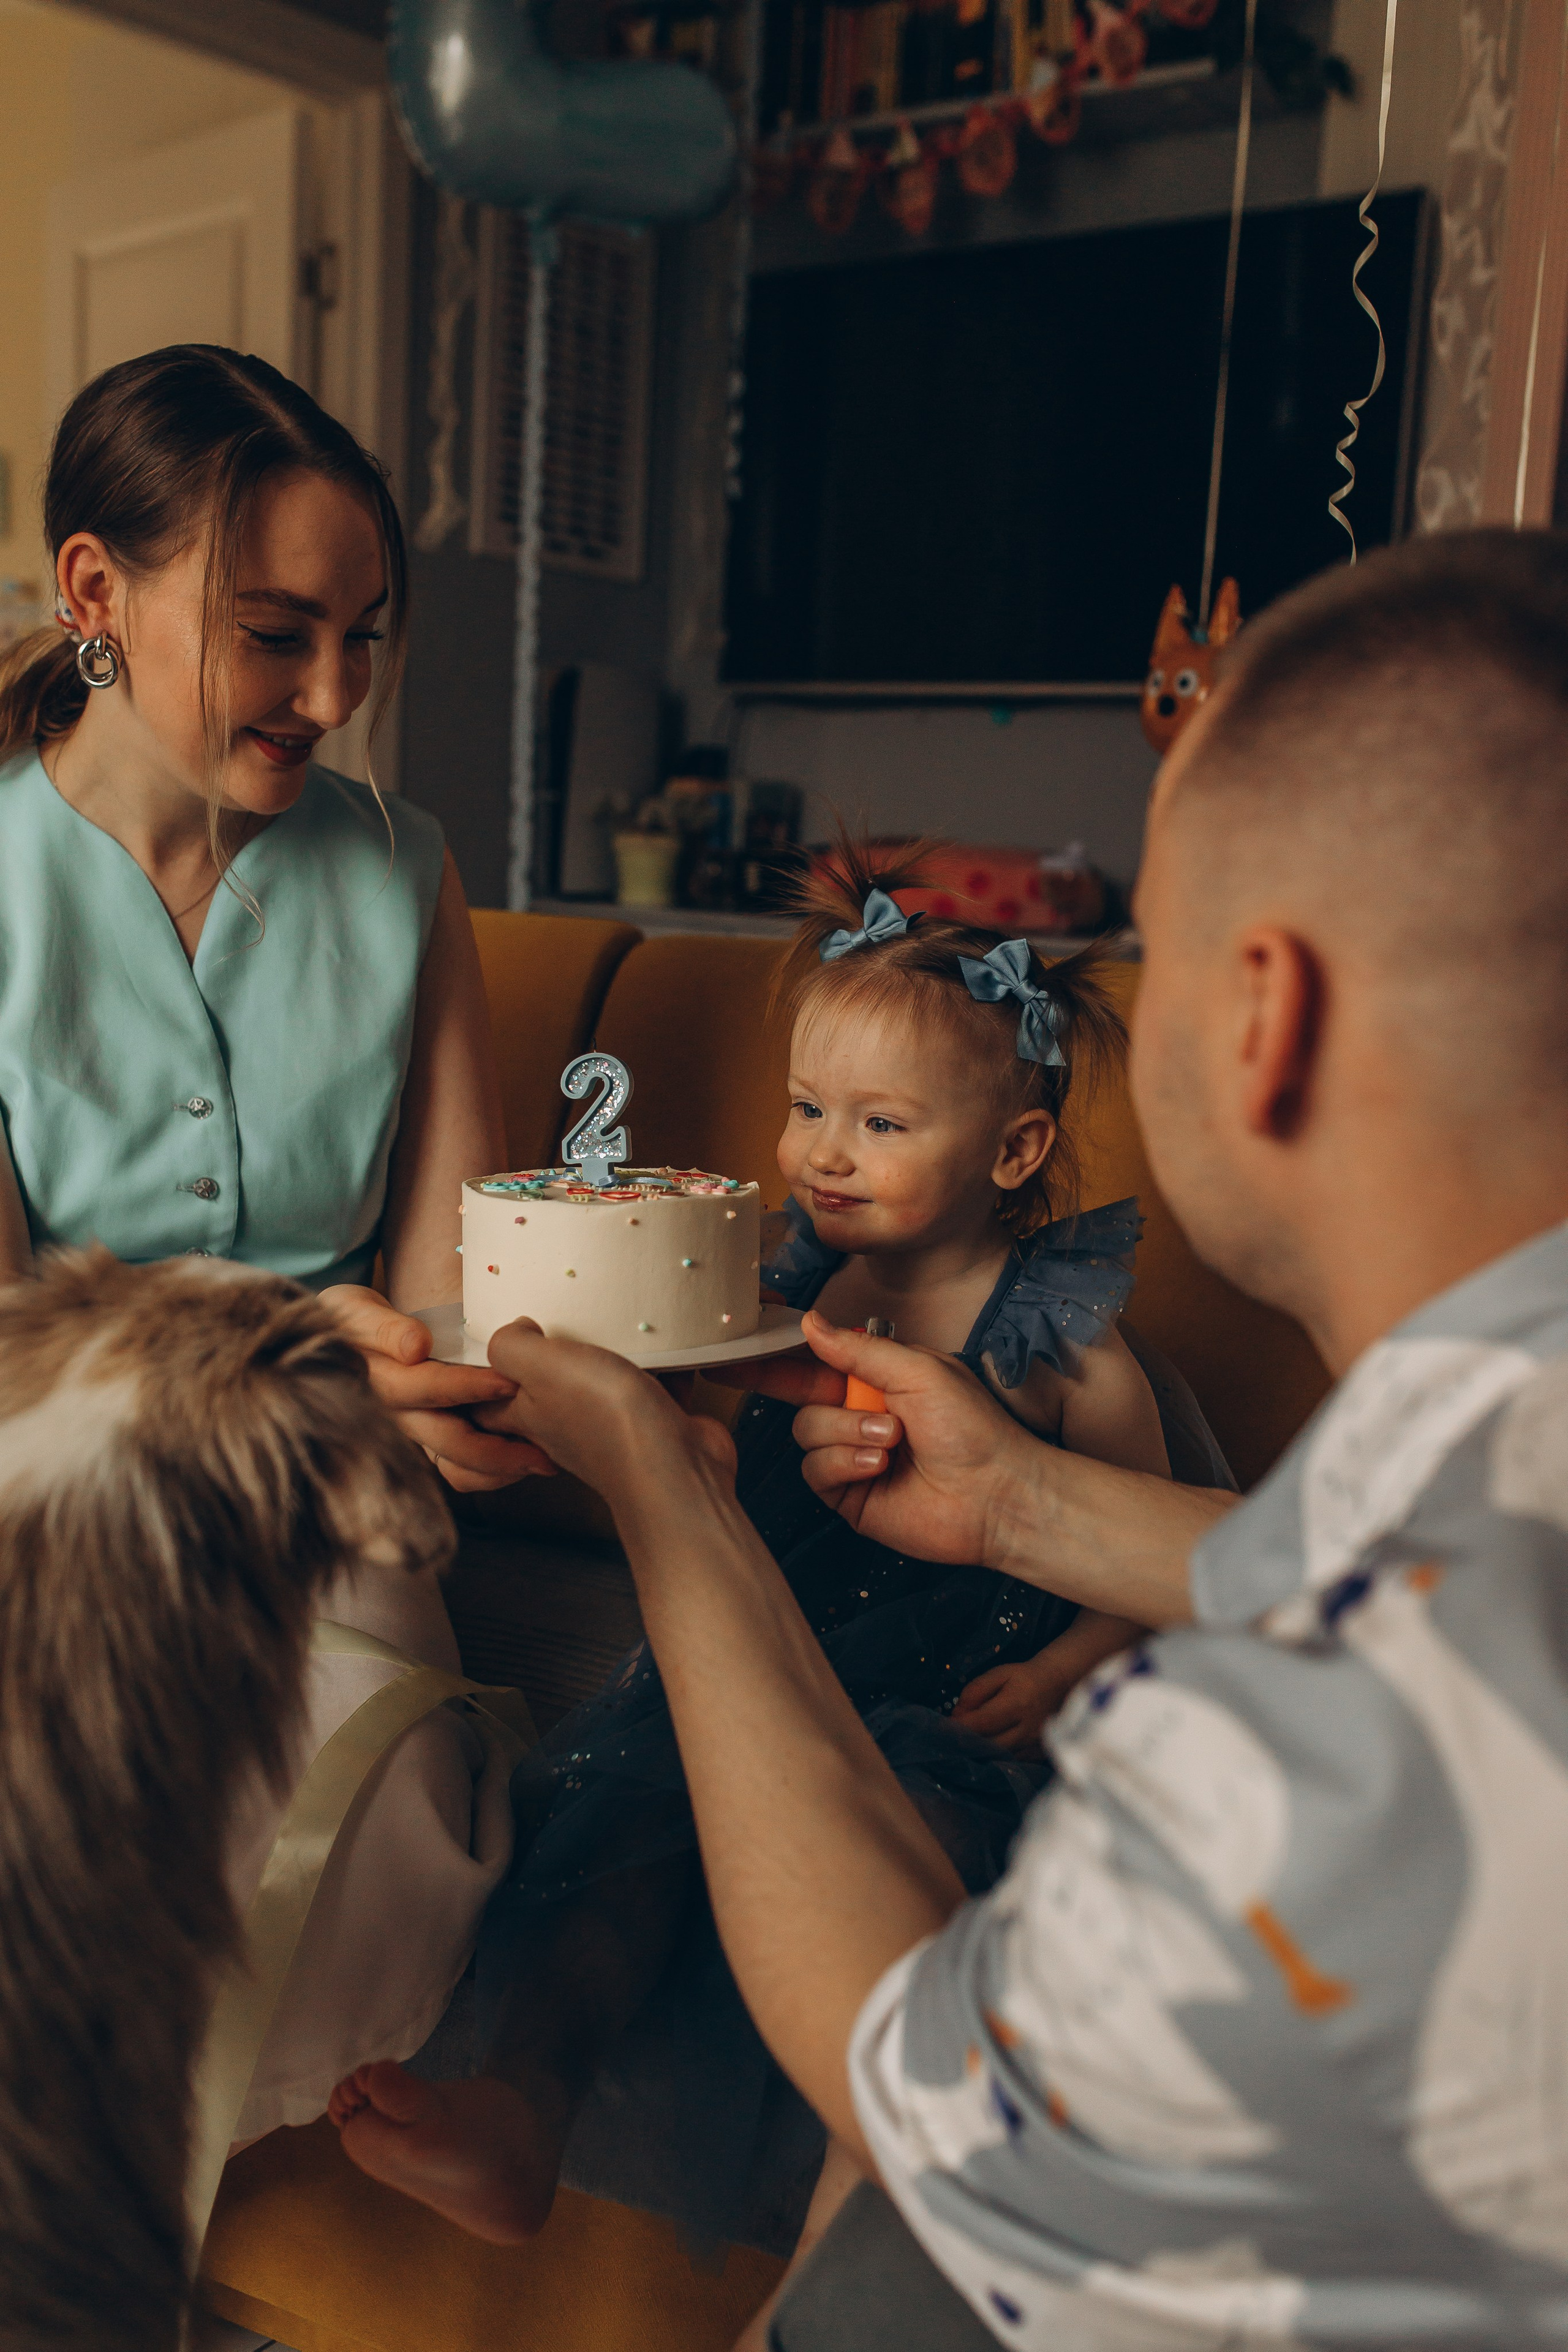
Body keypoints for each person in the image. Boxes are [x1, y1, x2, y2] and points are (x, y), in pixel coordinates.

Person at [366, 527, 1568, 2346]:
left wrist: (658, 1491)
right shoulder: (1470, 1486)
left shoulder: (1292, 1758)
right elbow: (1308, 1550)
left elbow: (913, 2075)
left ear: (1261, 1016)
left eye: (1148, 945)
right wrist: (1014, 1510)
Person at [328, 845, 1233, 2272]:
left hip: (949, 1712)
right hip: (757, 1661)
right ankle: (522, 2107)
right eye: (808, 1108)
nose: (819, 1151)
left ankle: (859, 2216)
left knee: (917, 1869)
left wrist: (1067, 1673)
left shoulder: (1057, 1338)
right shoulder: (768, 1302)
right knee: (611, 1833)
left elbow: (1138, 1544)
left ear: (1012, 1153)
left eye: (878, 1123)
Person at [0, 345, 545, 2151]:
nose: (335, 691)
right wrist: (312, 1366)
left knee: (360, 1797)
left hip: (339, 1489)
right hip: (59, 1478)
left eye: (366, 635)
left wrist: (465, 1396)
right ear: (97, 592)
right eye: (278, 629)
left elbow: (461, 1285)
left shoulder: (406, 869)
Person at [0, 1248, 456, 2352]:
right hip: (71, 1425)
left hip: (320, 1444)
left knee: (306, 1795)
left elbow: (451, 1315)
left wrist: (376, 1364)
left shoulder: (436, 1057)